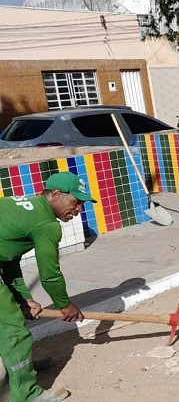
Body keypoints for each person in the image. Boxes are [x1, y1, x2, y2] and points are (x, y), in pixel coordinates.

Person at [1, 171, 94, 402]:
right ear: (55, 195)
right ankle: (26, 395)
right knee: (14, 329)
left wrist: (22, 299)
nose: (79, 209)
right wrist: (65, 305)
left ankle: (20, 367)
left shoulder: (26, 206)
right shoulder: (46, 223)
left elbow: (8, 261)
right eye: (76, 202)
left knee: (9, 315)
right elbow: (50, 274)